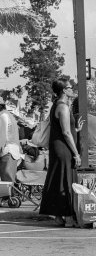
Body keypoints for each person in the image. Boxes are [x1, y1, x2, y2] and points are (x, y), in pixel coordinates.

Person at [40, 78, 81, 227]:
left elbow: (63, 129)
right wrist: (76, 153)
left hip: (57, 147)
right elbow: (65, 132)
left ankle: (58, 216)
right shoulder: (63, 107)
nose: (72, 89)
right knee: (66, 181)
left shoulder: (55, 106)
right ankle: (68, 217)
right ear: (64, 90)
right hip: (64, 149)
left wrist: (75, 129)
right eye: (70, 87)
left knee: (59, 179)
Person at [0, 96, 21, 182]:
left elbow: (1, 136)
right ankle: (12, 195)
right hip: (13, 151)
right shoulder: (9, 115)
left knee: (7, 181)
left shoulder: (2, 116)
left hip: (7, 151)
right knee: (10, 180)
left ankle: (11, 196)